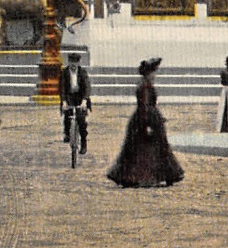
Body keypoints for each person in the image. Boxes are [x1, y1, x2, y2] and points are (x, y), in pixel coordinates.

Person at [107, 57, 184, 188]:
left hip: (147, 119)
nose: (155, 75)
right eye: (153, 73)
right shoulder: (145, 87)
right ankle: (140, 176)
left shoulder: (144, 85)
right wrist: (148, 124)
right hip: (145, 120)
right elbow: (145, 107)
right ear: (148, 74)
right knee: (145, 150)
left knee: (147, 149)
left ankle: (150, 175)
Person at [59, 52, 92, 154]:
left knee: (81, 121)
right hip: (69, 97)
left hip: (80, 97)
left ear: (78, 63)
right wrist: (64, 101)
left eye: (75, 62)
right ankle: (67, 133)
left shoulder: (82, 72)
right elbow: (62, 88)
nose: (73, 64)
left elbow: (87, 87)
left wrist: (84, 100)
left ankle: (83, 143)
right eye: (71, 62)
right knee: (67, 116)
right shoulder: (64, 72)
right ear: (68, 62)